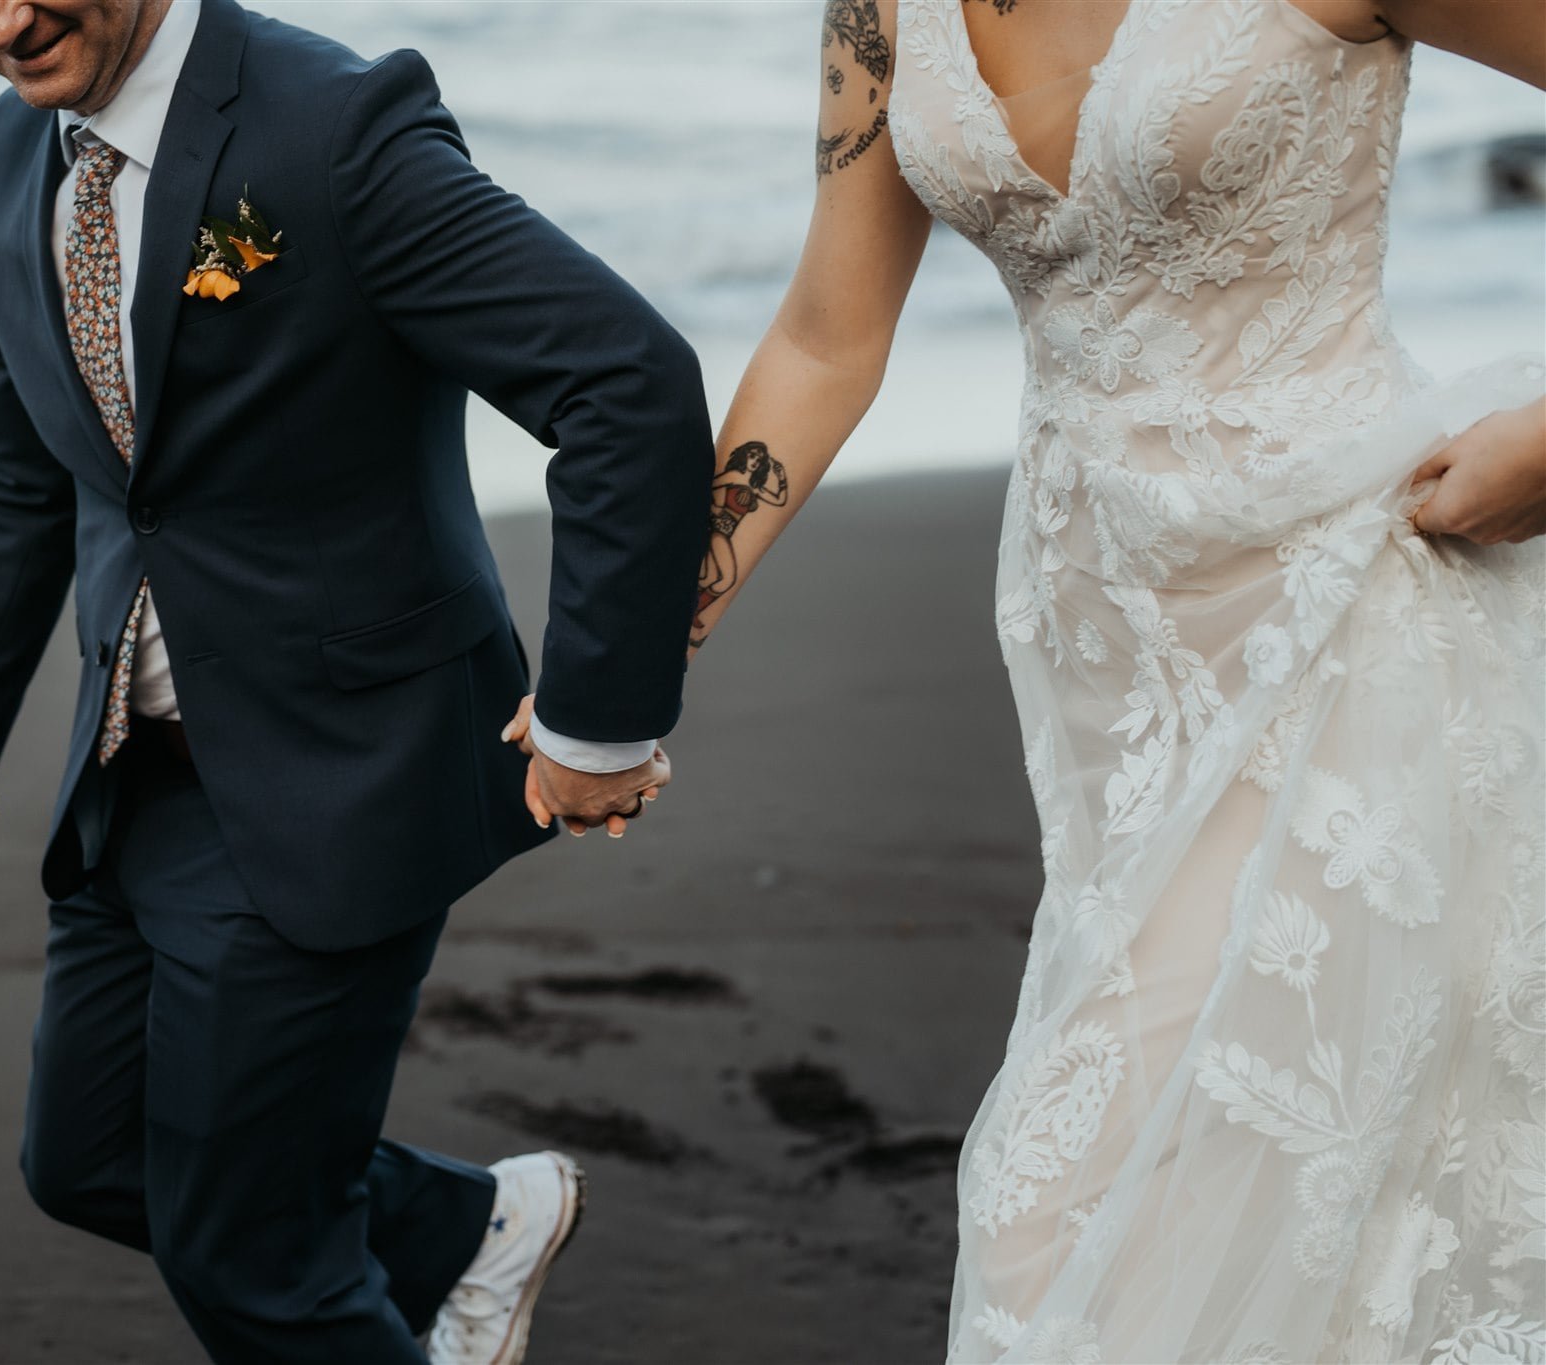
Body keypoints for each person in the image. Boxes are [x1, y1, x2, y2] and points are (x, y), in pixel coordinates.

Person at [547, 0, 1544, 1359]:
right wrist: (648, 637)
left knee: (1112, 1203)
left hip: (1350, 606)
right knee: (1202, 1197)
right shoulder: (877, 9)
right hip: (1111, 673)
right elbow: (827, 337)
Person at [0, 2, 713, 1361]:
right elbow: (20, 481)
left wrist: (599, 716)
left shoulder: (337, 129)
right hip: (133, 769)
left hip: (336, 763)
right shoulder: (13, 155)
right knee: (87, 1156)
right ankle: (462, 1229)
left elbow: (625, 379)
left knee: (250, 1255)